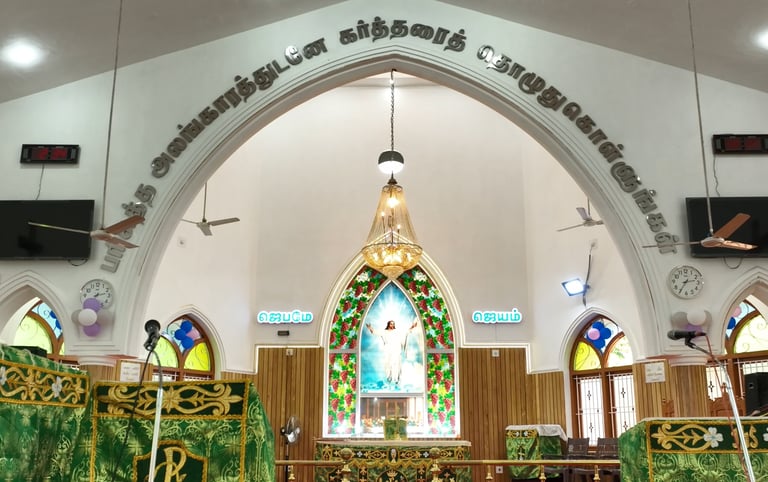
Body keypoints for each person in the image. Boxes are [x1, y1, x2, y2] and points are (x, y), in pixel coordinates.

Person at [366, 319, 417, 385]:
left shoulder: (397, 331)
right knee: (388, 363)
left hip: (396, 349)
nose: (392, 325)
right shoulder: (384, 332)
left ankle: (396, 379)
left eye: (393, 324)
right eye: (391, 324)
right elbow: (375, 332)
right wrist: (370, 328)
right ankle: (389, 377)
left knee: (396, 364)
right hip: (388, 349)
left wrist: (412, 326)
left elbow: (406, 332)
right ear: (388, 324)